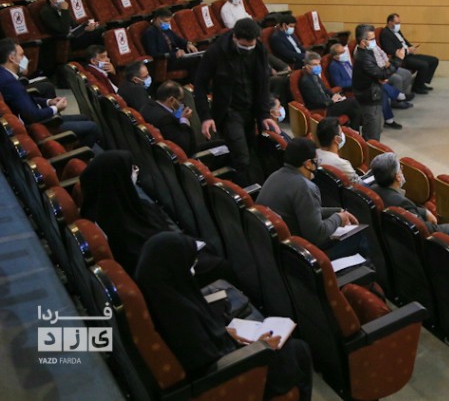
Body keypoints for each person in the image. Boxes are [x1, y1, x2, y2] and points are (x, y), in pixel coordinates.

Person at [134, 232, 313, 401]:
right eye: (189, 265)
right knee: (299, 350)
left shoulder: (162, 298)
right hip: (228, 379)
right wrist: (261, 347)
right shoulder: (178, 320)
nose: (193, 270)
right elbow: (209, 363)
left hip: (220, 363)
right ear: (175, 269)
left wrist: (225, 335)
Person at [79, 151, 231, 283]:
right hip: (165, 273)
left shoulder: (115, 202)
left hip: (168, 253)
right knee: (222, 266)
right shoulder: (117, 225)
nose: (136, 171)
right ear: (119, 178)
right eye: (132, 169)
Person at [195, 18, 280, 186]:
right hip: (229, 111)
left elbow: (263, 83)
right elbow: (200, 85)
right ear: (234, 37)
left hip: (251, 110)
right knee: (242, 158)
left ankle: (258, 188)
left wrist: (264, 114)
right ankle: (246, 195)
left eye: (250, 45)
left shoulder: (259, 49)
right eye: (243, 46)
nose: (248, 49)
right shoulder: (216, 52)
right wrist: (205, 116)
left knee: (253, 152)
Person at [257, 138, 366, 260]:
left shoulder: (274, 176)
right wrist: (339, 218)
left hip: (273, 249)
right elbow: (317, 235)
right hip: (300, 255)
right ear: (308, 164)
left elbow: (307, 212)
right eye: (316, 161)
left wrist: (337, 211)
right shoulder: (305, 187)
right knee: (359, 235)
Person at [0, 38, 99, 147]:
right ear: (12, 58)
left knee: (84, 118)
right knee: (92, 127)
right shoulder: (10, 82)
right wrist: (56, 108)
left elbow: (23, 98)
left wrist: (49, 102)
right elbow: (33, 115)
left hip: (36, 116)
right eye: (21, 55)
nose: (25, 58)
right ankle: (77, 153)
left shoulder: (4, 74)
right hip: (39, 125)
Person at [369, 152, 449, 233]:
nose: (402, 169)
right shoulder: (402, 203)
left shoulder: (373, 189)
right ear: (398, 177)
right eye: (400, 168)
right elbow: (423, 229)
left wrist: (424, 212)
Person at [329, 43, 404, 129]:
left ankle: (389, 119)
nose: (344, 53)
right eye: (341, 52)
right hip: (352, 88)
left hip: (360, 82)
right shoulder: (334, 66)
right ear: (335, 56)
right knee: (376, 86)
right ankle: (397, 96)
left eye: (344, 51)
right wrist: (356, 80)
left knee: (380, 90)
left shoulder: (346, 62)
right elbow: (339, 83)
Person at [352, 24, 395, 141]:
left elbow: (376, 72)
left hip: (373, 93)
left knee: (376, 128)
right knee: (373, 134)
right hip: (369, 98)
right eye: (372, 39)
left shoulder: (367, 52)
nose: (374, 42)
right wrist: (398, 60)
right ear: (363, 42)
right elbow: (382, 74)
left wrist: (379, 77)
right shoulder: (363, 56)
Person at [299, 51, 361, 129]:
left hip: (328, 103)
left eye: (319, 64)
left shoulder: (314, 76)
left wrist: (334, 95)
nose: (318, 66)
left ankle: (354, 130)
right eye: (315, 64)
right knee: (353, 102)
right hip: (322, 108)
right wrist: (332, 101)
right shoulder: (306, 81)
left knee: (354, 107)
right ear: (307, 66)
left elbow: (325, 90)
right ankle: (355, 130)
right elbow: (316, 101)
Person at [379, 13, 437, 94]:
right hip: (401, 59)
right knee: (424, 65)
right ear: (390, 22)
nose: (398, 25)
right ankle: (417, 87)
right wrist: (408, 50)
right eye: (396, 23)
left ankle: (422, 82)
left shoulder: (397, 31)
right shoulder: (385, 33)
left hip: (409, 54)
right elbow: (391, 50)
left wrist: (412, 47)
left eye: (399, 23)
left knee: (434, 60)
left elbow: (404, 41)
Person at [140, 80, 195, 155]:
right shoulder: (166, 119)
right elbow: (184, 147)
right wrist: (184, 120)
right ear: (171, 100)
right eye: (180, 100)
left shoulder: (146, 107)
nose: (182, 104)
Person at [315, 117, 360, 184]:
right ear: (337, 139)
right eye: (341, 133)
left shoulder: (313, 155)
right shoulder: (343, 164)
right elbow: (360, 185)